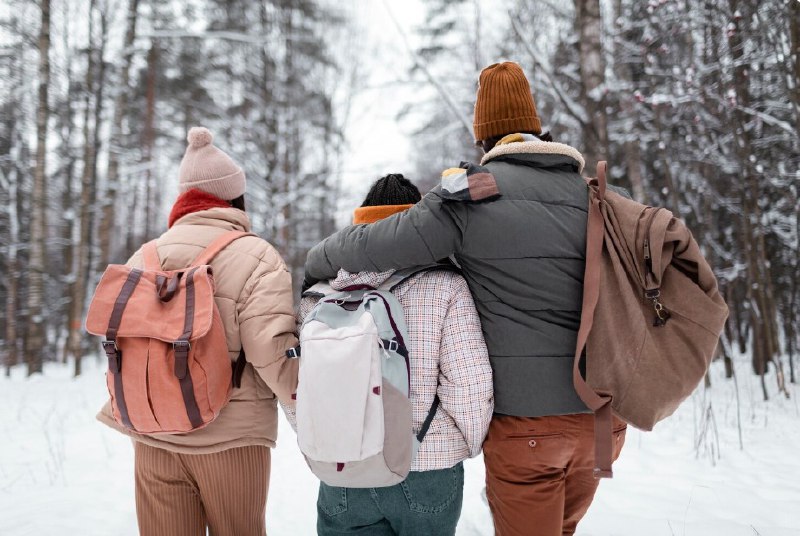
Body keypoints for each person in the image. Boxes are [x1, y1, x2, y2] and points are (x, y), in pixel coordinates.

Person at [303, 63, 627, 536]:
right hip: (603, 424)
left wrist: (320, 259)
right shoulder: (601, 196)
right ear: (537, 128)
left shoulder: (473, 197)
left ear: (483, 138)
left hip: (527, 428)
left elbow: (384, 242)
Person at [97, 127, 299, 536]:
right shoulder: (256, 254)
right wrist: (312, 400)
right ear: (234, 198)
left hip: (152, 435)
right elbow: (271, 349)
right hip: (230, 440)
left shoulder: (143, 256)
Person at [284, 173, 493, 536]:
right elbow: (470, 384)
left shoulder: (317, 295)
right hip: (427, 467)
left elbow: (298, 386)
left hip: (344, 465)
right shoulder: (447, 285)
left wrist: (321, 437)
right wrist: (462, 445)